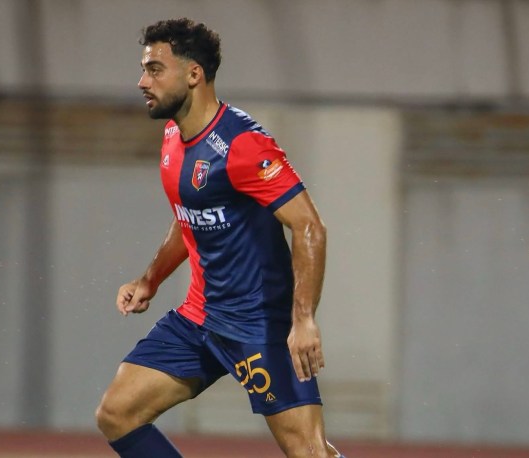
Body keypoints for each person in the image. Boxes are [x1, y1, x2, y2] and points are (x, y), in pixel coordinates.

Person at [95, 18, 342, 458]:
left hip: (258, 325)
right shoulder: (173, 135)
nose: (142, 82)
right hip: (199, 318)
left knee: (309, 453)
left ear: (193, 74)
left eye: (155, 69)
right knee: (117, 414)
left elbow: (309, 226)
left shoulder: (244, 144)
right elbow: (190, 216)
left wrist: (303, 319)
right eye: (143, 69)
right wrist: (151, 279)